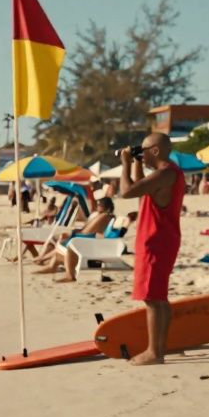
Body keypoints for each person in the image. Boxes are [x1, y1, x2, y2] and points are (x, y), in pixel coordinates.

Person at [118, 133, 185, 365]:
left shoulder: (165, 173)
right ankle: (160, 347)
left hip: (156, 240)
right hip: (161, 239)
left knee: (152, 298)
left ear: (155, 151)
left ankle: (154, 352)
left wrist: (125, 164)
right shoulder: (169, 172)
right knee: (159, 297)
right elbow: (141, 189)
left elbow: (126, 192)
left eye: (144, 150)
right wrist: (137, 161)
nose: (142, 153)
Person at [34, 197, 116, 282]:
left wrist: (77, 233)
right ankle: (49, 264)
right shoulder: (101, 215)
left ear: (105, 206)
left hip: (90, 241)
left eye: (99, 205)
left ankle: (67, 274)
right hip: (89, 239)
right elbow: (87, 228)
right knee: (63, 241)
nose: (97, 206)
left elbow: (88, 231)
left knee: (66, 243)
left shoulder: (105, 215)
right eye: (97, 204)